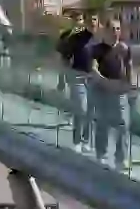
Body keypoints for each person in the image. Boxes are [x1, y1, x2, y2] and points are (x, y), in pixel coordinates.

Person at [90, 19, 132, 169]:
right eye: (113, 29)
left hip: (120, 93)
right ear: (106, 31)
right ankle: (101, 154)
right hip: (103, 91)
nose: (116, 32)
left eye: (118, 29)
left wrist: (129, 86)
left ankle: (121, 157)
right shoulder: (97, 49)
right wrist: (105, 82)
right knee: (103, 124)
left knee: (123, 125)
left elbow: (129, 69)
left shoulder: (124, 49)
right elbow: (93, 69)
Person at [56, 21, 95, 150]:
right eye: (91, 20)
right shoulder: (75, 37)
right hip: (77, 76)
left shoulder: (99, 38)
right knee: (81, 109)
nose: (93, 23)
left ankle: (86, 140)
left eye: (95, 20)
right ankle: (77, 140)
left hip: (93, 78)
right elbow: (65, 57)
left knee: (90, 112)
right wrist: (63, 77)